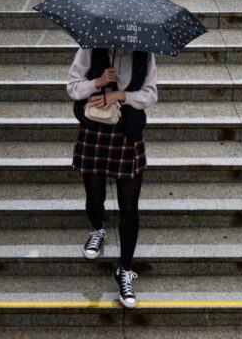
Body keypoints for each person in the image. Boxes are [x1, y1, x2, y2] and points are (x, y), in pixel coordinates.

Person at [66, 46, 158, 309]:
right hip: (94, 130)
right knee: (94, 196)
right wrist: (97, 82)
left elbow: (151, 93)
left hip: (128, 133)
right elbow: (72, 87)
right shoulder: (91, 47)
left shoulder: (144, 52)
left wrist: (121, 95)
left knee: (129, 207)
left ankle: (124, 270)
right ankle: (98, 228)